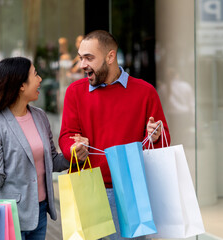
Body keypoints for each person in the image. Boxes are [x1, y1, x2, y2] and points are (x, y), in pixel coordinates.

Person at [58, 30, 171, 240]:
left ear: (110, 57)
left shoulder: (145, 92)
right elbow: (66, 136)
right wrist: (73, 148)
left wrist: (155, 136)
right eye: (81, 57)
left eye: (89, 58)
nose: (82, 65)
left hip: (131, 192)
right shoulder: (75, 92)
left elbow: (160, 143)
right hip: (88, 188)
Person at [0, 57, 76, 240]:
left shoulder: (40, 117)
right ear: (21, 85)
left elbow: (53, 162)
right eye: (35, 75)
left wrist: (74, 155)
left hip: (40, 212)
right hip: (11, 214)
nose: (40, 79)